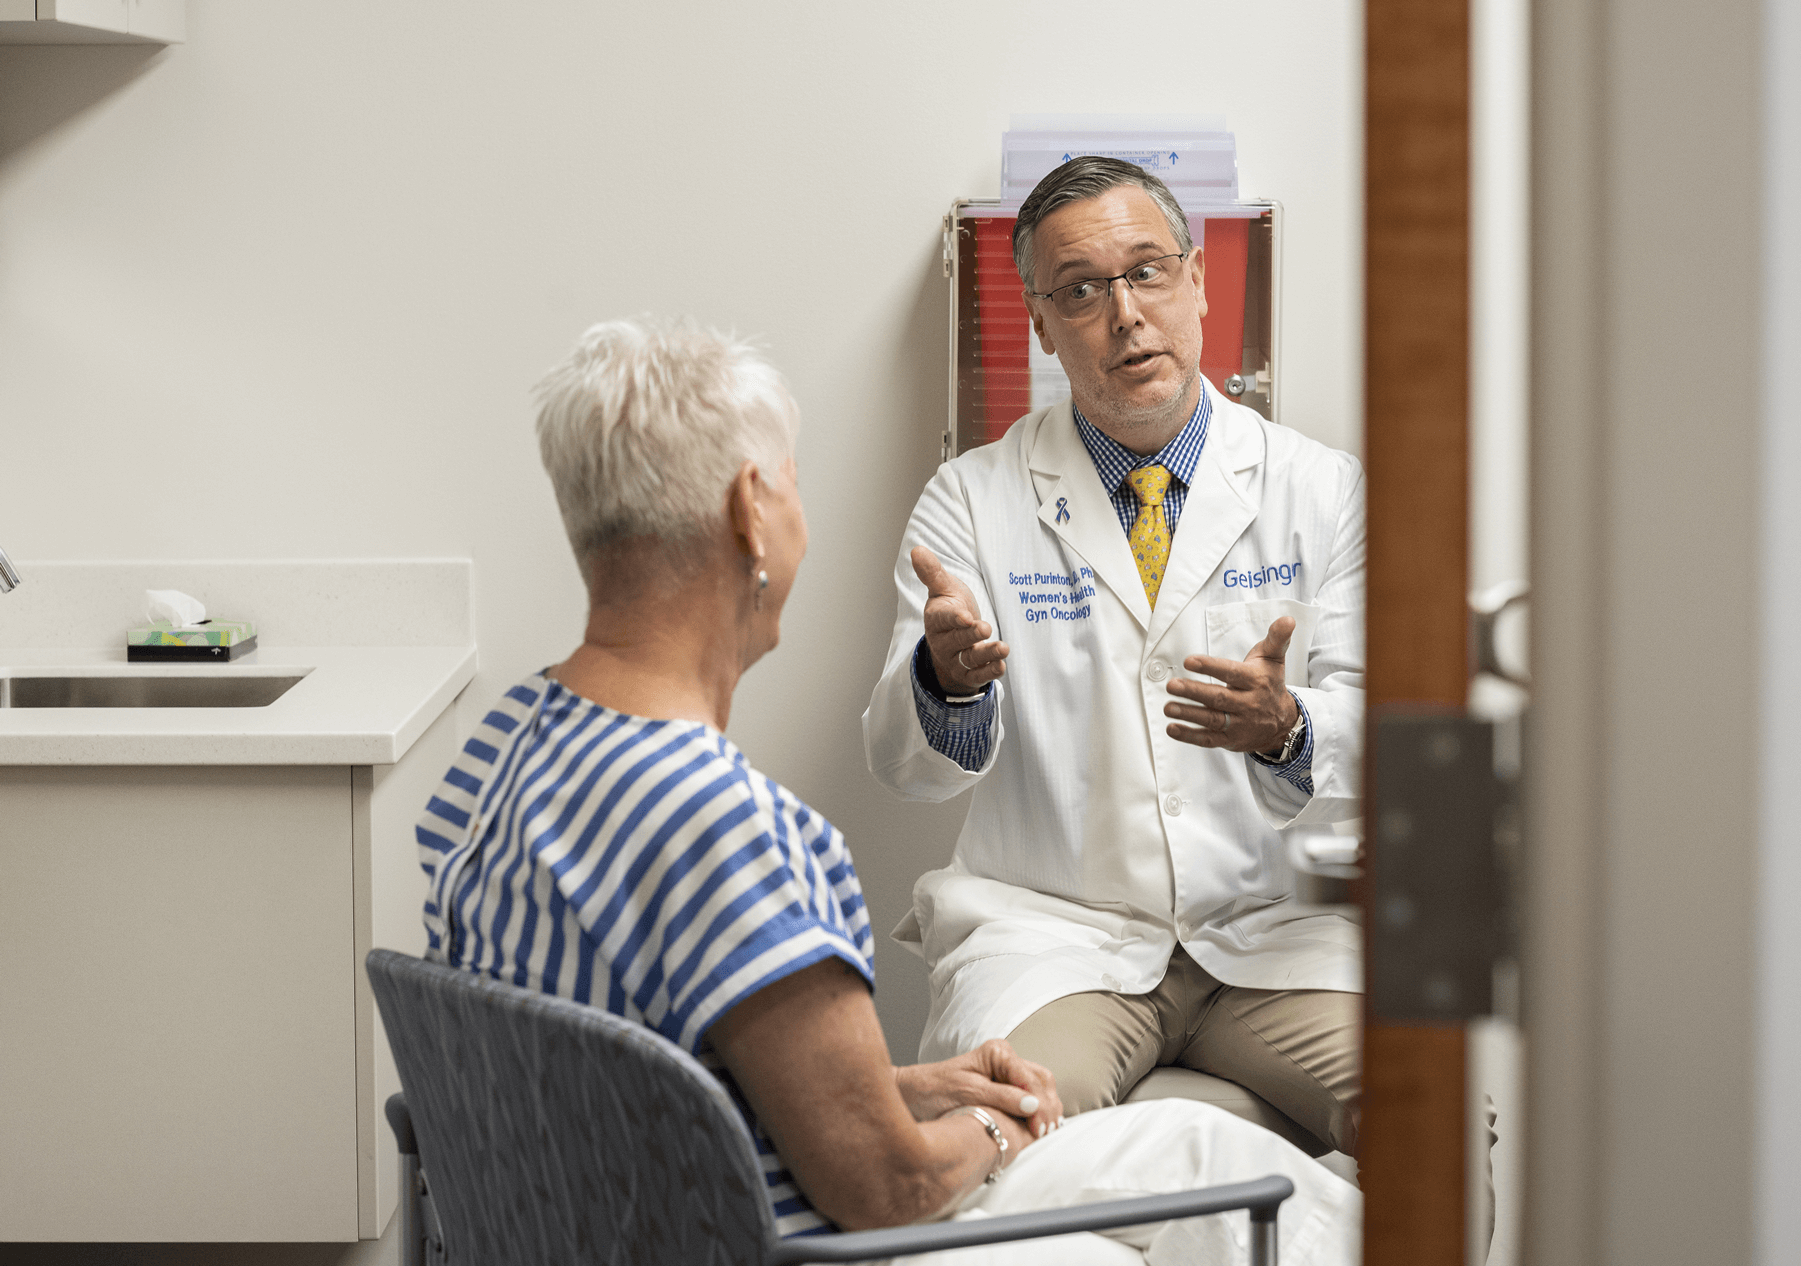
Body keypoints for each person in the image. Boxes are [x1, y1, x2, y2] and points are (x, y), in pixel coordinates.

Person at [416, 317, 1358, 1265]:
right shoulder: (732, 831)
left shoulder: (499, 749)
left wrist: (918, 1091)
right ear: (753, 509)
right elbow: (888, 1187)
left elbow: (671, 1082)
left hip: (622, 1220)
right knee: (1241, 1195)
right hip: (795, 1245)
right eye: (790, 480)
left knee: (1192, 1150)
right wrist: (1004, 1127)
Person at [863, 157, 1366, 1156]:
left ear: (1199, 285)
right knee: (1003, 1138)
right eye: (1081, 290)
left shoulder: (1321, 489)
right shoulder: (970, 498)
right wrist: (945, 683)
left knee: (1436, 1116)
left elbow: (1375, 737)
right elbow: (903, 767)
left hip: (1271, 938)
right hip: (1060, 940)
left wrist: (1286, 729)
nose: (1124, 314)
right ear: (1041, 326)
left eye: (1147, 273)